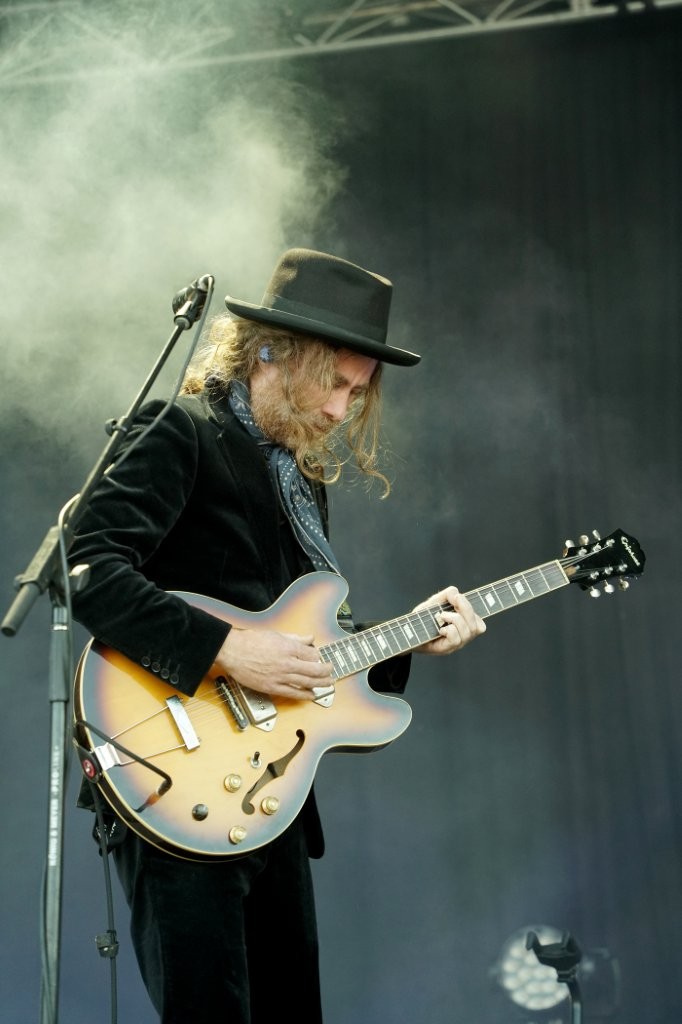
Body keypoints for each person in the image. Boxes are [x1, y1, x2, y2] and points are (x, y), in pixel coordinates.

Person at [69, 248, 487, 1024]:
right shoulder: (181, 432)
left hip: (269, 788)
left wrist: (409, 638)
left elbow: (306, 647)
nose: (340, 410)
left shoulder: (302, 481)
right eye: (334, 383)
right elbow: (86, 567)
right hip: (169, 770)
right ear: (270, 353)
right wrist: (226, 649)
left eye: (357, 392)